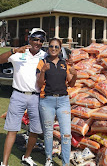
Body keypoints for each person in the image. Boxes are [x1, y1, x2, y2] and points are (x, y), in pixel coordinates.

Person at [0, 28, 47, 166]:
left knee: (35, 130)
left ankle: (26, 156)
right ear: (29, 39)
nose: (38, 42)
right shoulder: (19, 53)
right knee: (12, 129)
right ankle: (5, 163)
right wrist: (13, 51)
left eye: (41, 40)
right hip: (18, 95)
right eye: (35, 39)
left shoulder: (44, 55)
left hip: (36, 97)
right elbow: (0, 60)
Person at [36, 38, 77, 166]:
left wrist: (75, 74)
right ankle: (48, 159)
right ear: (48, 48)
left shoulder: (65, 64)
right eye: (51, 47)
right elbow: (39, 84)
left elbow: (71, 83)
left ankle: (65, 163)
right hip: (47, 101)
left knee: (66, 134)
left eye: (56, 47)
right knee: (48, 132)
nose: (53, 49)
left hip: (63, 101)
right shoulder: (42, 63)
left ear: (60, 49)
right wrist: (43, 71)